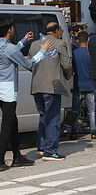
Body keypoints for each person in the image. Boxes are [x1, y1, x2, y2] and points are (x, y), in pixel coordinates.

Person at [0, 18, 51, 171]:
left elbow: (10, 54)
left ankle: (17, 156)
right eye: (14, 28)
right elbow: (28, 64)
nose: (15, 31)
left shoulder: (5, 47)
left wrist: (22, 42)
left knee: (12, 122)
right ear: (9, 30)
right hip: (8, 91)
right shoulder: (10, 49)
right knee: (7, 125)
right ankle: (1, 160)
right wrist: (43, 51)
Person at [29, 22, 72, 161]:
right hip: (52, 86)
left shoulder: (35, 44)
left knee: (43, 117)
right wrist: (66, 76)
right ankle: (51, 151)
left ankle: (41, 147)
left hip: (37, 86)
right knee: (53, 118)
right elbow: (66, 65)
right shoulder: (60, 44)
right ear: (58, 30)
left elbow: (30, 64)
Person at [72, 31, 96, 139]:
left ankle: (74, 131)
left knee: (75, 110)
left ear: (78, 41)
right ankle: (94, 131)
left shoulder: (74, 53)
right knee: (92, 110)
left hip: (78, 85)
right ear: (88, 40)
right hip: (91, 85)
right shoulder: (92, 53)